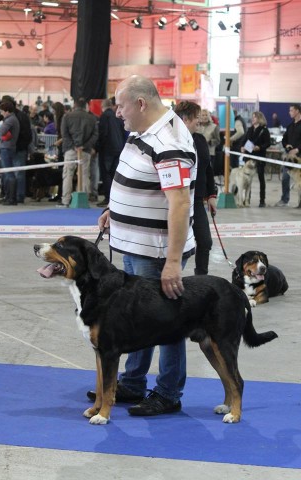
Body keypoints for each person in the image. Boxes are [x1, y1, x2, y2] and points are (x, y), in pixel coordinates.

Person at [91, 75, 197, 416]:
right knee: (136, 317)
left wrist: (173, 261)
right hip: (135, 246)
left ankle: (168, 392)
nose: (116, 112)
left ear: (140, 104)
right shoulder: (141, 130)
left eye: (120, 106)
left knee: (168, 322)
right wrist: (115, 209)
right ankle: (133, 382)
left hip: (156, 251)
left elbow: (179, 203)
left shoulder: (171, 142)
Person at [174, 101, 217, 274]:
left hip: (197, 200)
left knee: (205, 242)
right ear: (185, 119)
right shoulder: (172, 140)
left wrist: (211, 194)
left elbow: (208, 169)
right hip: (177, 202)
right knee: (178, 244)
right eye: (196, 118)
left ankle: (201, 277)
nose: (199, 121)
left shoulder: (200, 140)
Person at [59, 98, 98, 207]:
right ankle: (84, 200)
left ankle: (66, 200)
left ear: (74, 105)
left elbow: (64, 134)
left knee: (68, 175)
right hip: (85, 151)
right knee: (85, 175)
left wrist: (73, 146)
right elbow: (95, 135)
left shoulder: (66, 117)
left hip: (70, 150)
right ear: (86, 106)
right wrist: (84, 146)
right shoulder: (92, 118)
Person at [1, 95, 32, 204]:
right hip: (15, 148)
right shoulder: (17, 116)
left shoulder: (18, 117)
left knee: (16, 173)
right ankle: (10, 195)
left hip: (17, 149)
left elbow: (27, 135)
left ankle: (17, 196)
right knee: (11, 173)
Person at [96, 98, 126, 207]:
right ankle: (115, 198)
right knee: (115, 174)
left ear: (102, 106)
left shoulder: (104, 116)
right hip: (119, 148)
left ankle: (108, 198)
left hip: (107, 150)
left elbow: (103, 134)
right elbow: (123, 132)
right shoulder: (117, 116)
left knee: (106, 174)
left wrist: (97, 147)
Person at [240, 111, 271, 208]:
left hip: (259, 157)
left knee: (261, 178)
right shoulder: (250, 129)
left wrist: (260, 147)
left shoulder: (264, 130)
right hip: (249, 157)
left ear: (260, 118)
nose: (252, 119)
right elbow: (244, 140)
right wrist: (242, 147)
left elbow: (268, 143)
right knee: (247, 179)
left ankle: (262, 200)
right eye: (252, 117)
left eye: (255, 117)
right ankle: (247, 200)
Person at [0, 101, 20, 206]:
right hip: (9, 148)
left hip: (6, 148)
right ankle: (9, 197)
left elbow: (0, 132)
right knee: (8, 173)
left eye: (2, 111)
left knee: (9, 174)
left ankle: (11, 198)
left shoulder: (10, 120)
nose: (1, 113)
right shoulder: (13, 119)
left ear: (7, 111)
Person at [275, 103, 301, 207]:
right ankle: (285, 199)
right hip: (289, 158)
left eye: (291, 110)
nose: (289, 112)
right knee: (285, 177)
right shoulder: (290, 126)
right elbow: (284, 139)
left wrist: (297, 149)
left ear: (297, 111)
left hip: (299, 157)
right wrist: (287, 146)